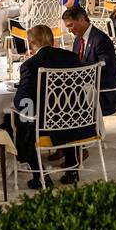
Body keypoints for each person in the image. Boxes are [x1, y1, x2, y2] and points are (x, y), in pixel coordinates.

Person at [14, 25, 95, 189]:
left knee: (21, 119)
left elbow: (22, 100)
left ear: (31, 43)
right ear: (51, 40)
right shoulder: (72, 57)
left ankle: (39, 175)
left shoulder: (30, 65)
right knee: (59, 113)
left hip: (48, 126)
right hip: (78, 121)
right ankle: (72, 169)